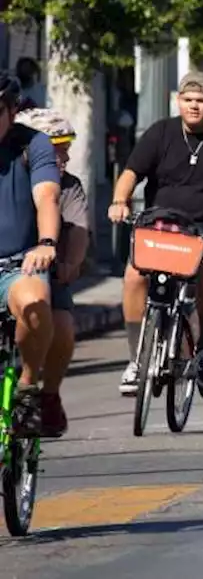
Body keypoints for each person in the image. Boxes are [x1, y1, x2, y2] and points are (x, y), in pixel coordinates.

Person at [109, 71, 203, 397]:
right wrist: (120, 200)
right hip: (163, 224)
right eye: (188, 100)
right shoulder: (161, 132)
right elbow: (131, 172)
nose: (194, 106)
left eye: (201, 100)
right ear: (179, 101)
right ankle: (136, 359)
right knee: (134, 275)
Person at [16, 108, 89, 438]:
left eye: (66, 147)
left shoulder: (69, 185)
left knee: (63, 326)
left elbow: (78, 231)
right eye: (57, 148)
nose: (65, 156)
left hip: (48, 272)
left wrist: (70, 263)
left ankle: (48, 395)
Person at [0, 87, 62, 438]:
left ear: (10, 110)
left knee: (35, 303)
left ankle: (27, 386)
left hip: (16, 264)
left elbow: (48, 197)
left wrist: (46, 242)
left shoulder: (33, 144)